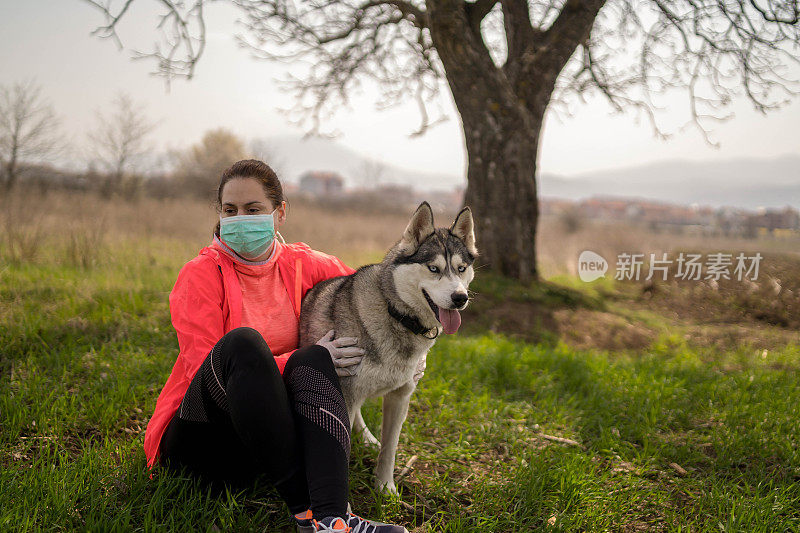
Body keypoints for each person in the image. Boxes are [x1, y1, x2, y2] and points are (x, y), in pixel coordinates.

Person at [143, 160, 415, 533]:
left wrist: (412, 351)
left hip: (267, 448)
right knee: (244, 344)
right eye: (230, 210)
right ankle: (305, 510)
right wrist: (295, 360)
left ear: (280, 213)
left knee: (315, 357)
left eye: (252, 210)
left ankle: (333, 521)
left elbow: (372, 297)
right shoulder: (200, 274)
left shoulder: (306, 264)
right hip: (201, 445)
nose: (239, 219)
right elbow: (199, 368)